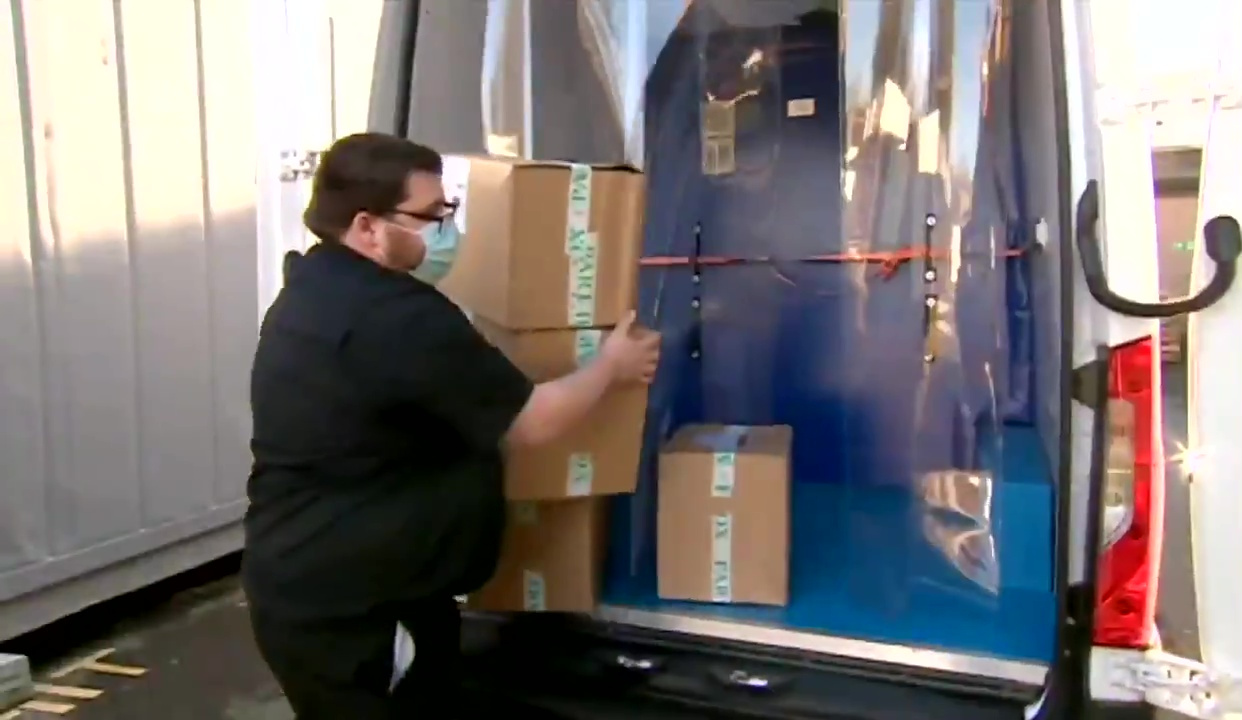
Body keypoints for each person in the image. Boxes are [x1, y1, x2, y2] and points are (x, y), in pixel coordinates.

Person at [242, 132, 661, 719]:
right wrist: (611, 367)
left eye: (449, 211)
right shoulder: (397, 318)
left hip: (311, 582)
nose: (447, 232)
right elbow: (531, 423)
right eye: (432, 218)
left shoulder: (313, 288)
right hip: (361, 612)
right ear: (368, 227)